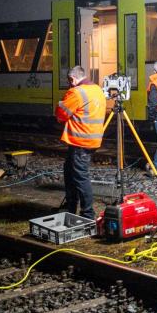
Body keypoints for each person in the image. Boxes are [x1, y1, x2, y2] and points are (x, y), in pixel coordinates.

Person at [55, 65, 106, 219]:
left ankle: (88, 214)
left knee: (80, 177)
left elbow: (61, 115)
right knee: (70, 172)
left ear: (72, 79)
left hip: (80, 141)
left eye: (69, 81)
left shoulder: (76, 92)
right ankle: (70, 208)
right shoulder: (97, 89)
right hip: (92, 139)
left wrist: (61, 104)